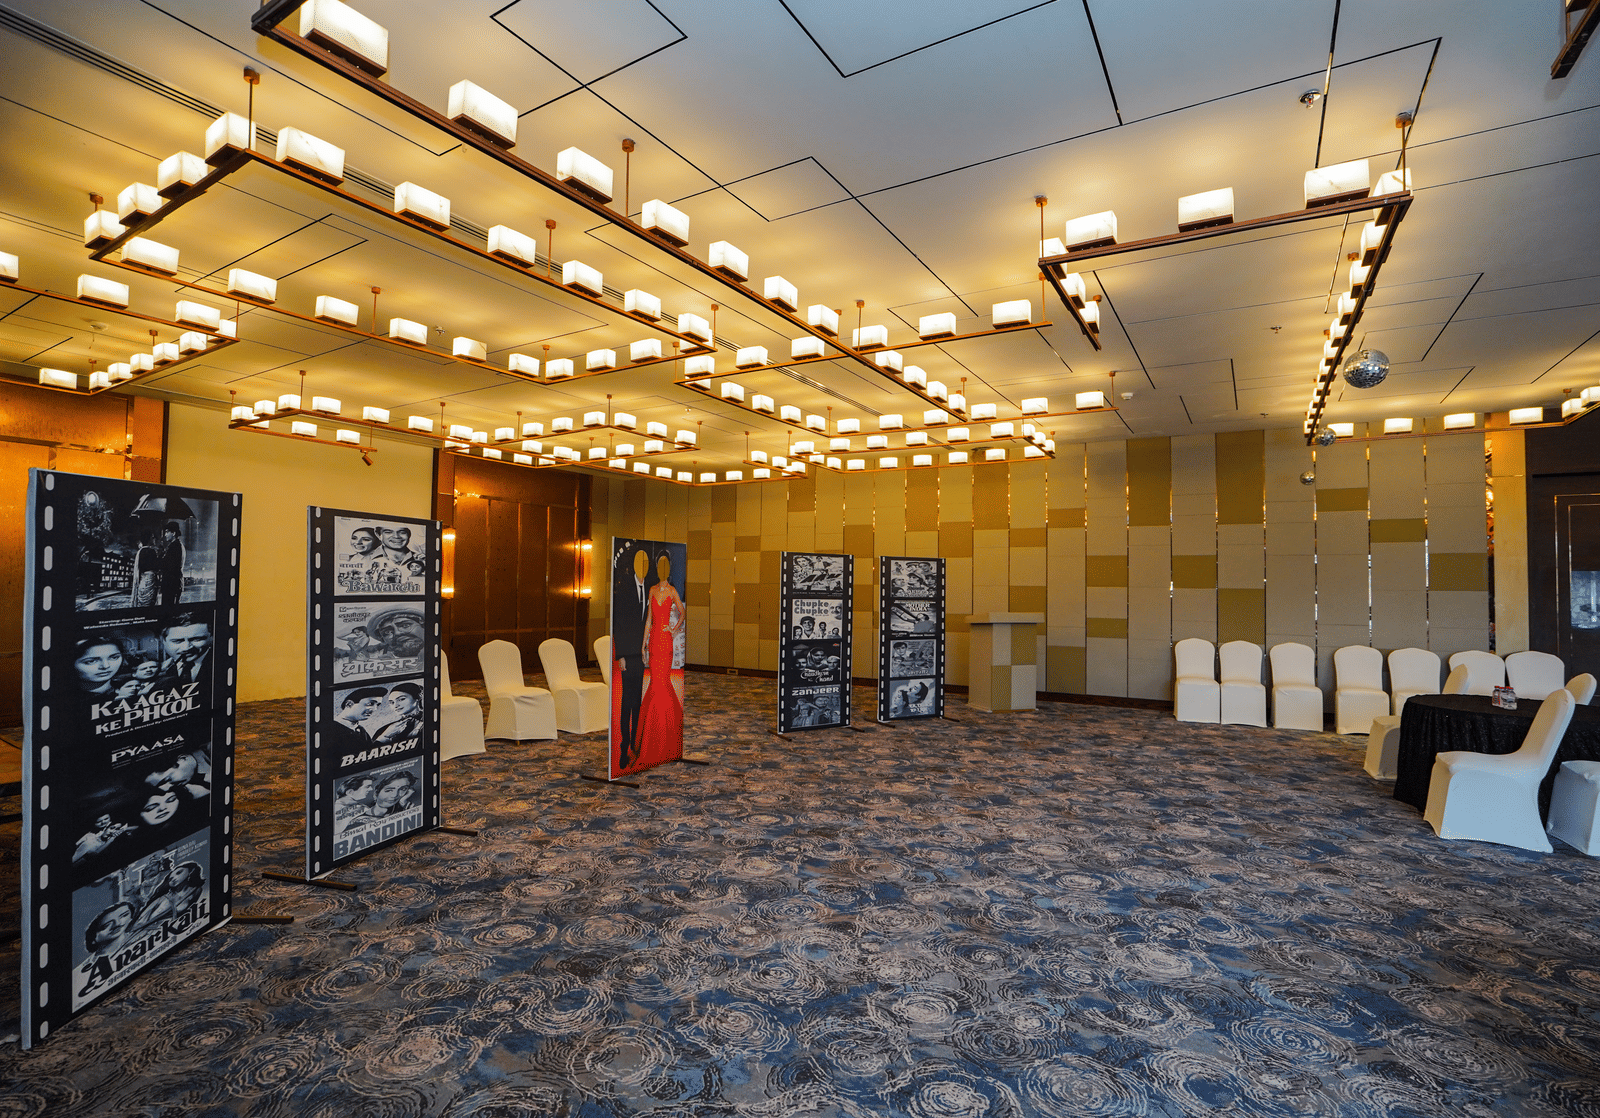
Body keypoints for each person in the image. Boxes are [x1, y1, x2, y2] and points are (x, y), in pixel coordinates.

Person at [635, 551, 687, 768]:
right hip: (655, 640)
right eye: (659, 565)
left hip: (666, 641)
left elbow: (682, 613)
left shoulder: (673, 591)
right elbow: (648, 619)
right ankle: (655, 731)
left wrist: (673, 631)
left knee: (662, 683)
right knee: (656, 682)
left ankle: (663, 735)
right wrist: (644, 642)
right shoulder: (652, 589)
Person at [611, 548, 651, 769]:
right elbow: (620, 623)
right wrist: (622, 655)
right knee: (627, 701)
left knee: (638, 701)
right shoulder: (625, 589)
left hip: (642, 655)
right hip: (629, 654)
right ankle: (623, 746)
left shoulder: (651, 586)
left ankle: (635, 746)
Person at [74, 901, 137, 1001]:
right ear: (93, 938)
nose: (117, 924)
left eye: (124, 915)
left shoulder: (144, 937)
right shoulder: (79, 974)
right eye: (106, 925)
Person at [155, 614, 211, 687]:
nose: (186, 648)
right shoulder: (160, 671)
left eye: (197, 639)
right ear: (162, 641)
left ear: (211, 637)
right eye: (177, 641)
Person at [328, 687, 385, 754]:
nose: (375, 709)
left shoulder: (361, 730)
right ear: (349, 704)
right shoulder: (330, 729)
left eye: (377, 705)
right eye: (370, 704)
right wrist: (380, 740)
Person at [371, 683, 423, 749]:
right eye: (392, 702)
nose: (396, 705)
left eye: (401, 699)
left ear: (417, 698)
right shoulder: (385, 730)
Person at [158, 521, 186, 605]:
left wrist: (160, 557)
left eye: (167, 532)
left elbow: (169, 567)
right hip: (173, 585)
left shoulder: (175, 547)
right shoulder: (176, 545)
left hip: (170, 585)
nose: (165, 535)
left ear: (173, 533)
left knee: (167, 611)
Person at [130, 530, 159, 607]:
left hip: (142, 584)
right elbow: (157, 567)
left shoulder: (141, 551)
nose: (154, 539)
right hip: (150, 583)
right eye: (153, 537)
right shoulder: (151, 551)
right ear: (149, 539)